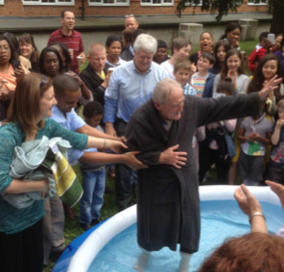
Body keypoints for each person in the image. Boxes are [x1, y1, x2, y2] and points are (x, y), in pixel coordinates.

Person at [124, 76, 282, 272]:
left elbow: (221, 105)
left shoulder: (189, 105)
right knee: (152, 221)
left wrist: (256, 97)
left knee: (189, 222)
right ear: (158, 104)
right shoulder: (140, 119)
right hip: (155, 181)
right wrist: (159, 157)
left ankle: (185, 263)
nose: (181, 109)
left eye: (182, 102)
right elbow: (129, 156)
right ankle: (145, 254)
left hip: (186, 175)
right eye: (175, 106)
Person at [0, 73, 126, 272]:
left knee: (34, 265)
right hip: (9, 223)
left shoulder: (46, 125)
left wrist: (114, 143)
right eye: (50, 97)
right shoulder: (7, 135)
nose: (55, 101)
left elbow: (78, 140)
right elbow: (3, 183)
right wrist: (38, 185)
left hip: (34, 213)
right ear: (33, 100)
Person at [103, 34, 168, 211]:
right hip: (126, 123)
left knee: (148, 160)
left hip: (152, 125)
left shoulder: (161, 73)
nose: (146, 61)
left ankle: (143, 195)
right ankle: (123, 200)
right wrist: (109, 125)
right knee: (124, 163)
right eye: (142, 56)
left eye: (149, 57)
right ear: (135, 53)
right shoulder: (119, 73)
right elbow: (110, 99)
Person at [198, 78, 237, 184]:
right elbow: (207, 124)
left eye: (226, 95)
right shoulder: (212, 105)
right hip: (208, 144)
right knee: (202, 168)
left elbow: (231, 128)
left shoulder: (232, 109)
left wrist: (223, 116)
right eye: (221, 95)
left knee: (222, 172)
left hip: (222, 145)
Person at [237, 100, 273, 186]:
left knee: (255, 177)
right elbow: (238, 136)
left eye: (260, 105)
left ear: (264, 106)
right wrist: (247, 138)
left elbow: (271, 142)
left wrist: (259, 138)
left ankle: (254, 192)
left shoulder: (268, 123)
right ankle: (245, 190)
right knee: (244, 175)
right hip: (245, 152)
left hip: (258, 155)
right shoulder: (246, 120)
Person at [47, 10, 85, 74]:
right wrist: (63, 55)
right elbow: (48, 55)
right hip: (59, 73)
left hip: (75, 73)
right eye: (68, 18)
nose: (71, 21)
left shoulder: (78, 36)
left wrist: (82, 56)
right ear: (62, 20)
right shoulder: (54, 36)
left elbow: (81, 51)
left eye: (73, 19)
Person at [0, 34, 28, 114]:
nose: (3, 51)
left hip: (20, 111)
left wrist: (23, 80)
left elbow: (32, 90)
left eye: (6, 48)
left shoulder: (18, 67)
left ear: (11, 50)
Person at [265, 99, 284, 185]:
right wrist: (278, 128)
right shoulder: (276, 125)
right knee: (274, 187)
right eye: (280, 112)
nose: (282, 114)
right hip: (276, 163)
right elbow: (274, 142)